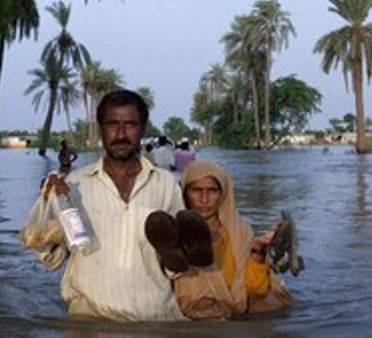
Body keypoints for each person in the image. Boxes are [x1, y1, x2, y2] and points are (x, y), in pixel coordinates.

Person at [22, 89, 204, 321]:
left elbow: (175, 267)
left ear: (143, 129)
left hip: (155, 319)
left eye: (130, 124)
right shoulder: (73, 185)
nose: (120, 133)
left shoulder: (165, 184)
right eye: (112, 124)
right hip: (90, 321)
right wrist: (48, 209)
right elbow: (51, 261)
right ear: (101, 129)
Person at [173, 160, 293, 320]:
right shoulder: (173, 230)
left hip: (236, 306)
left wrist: (258, 250)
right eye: (196, 190)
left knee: (269, 304)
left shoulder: (239, 231)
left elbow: (255, 289)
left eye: (212, 191)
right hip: (197, 310)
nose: (204, 199)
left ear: (223, 194)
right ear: (184, 193)